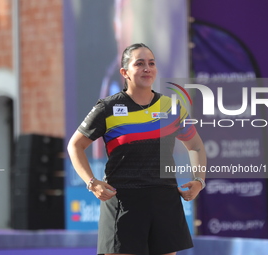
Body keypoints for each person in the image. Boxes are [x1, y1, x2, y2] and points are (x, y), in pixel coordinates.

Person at [67, 43, 207, 255]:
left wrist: (199, 180)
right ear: (125, 72)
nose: (147, 68)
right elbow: (75, 146)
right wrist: (92, 183)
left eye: (151, 63)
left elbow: (195, 145)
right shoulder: (108, 107)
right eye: (139, 63)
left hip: (165, 201)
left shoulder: (171, 107)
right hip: (123, 201)